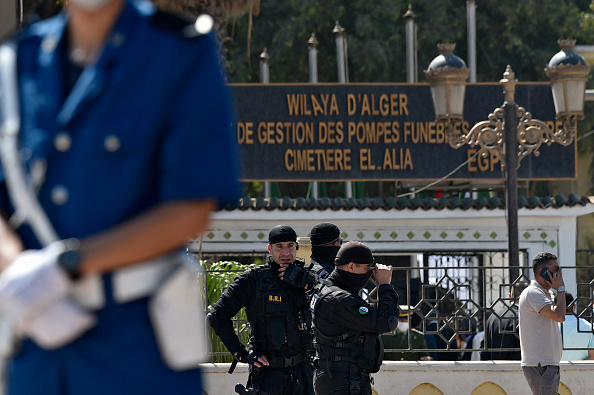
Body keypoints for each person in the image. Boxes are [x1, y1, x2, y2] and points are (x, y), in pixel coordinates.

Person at [0, 0, 240, 393]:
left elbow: (191, 210)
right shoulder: (16, 62)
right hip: (36, 349)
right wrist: (19, 275)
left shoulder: (177, 51)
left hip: (135, 353)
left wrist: (65, 268)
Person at [207, 224, 314, 395]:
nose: (286, 253)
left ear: (296, 247)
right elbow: (217, 315)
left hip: (303, 373)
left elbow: (333, 306)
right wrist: (242, 354)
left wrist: (309, 284)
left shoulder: (308, 277)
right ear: (270, 249)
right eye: (279, 247)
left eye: (290, 246)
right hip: (268, 375)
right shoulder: (252, 280)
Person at [310, 240, 399, 395]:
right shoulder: (339, 299)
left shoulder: (328, 290)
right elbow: (386, 322)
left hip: (340, 377)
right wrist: (385, 286)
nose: (370, 274)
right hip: (342, 380)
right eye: (366, 268)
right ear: (351, 266)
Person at [519, 252, 566, 395]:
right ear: (542, 271)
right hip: (540, 364)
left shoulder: (545, 294)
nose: (560, 273)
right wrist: (561, 289)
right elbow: (559, 316)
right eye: (556, 269)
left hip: (547, 363)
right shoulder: (533, 293)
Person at [481, 281, 528, 360]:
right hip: (516, 368)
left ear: (510, 296)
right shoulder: (525, 318)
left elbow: (484, 347)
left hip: (493, 367)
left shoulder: (494, 316)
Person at [560, 292, 594, 361]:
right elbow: (592, 357)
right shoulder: (588, 326)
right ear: (574, 307)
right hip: (581, 371)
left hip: (554, 370)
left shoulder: (550, 327)